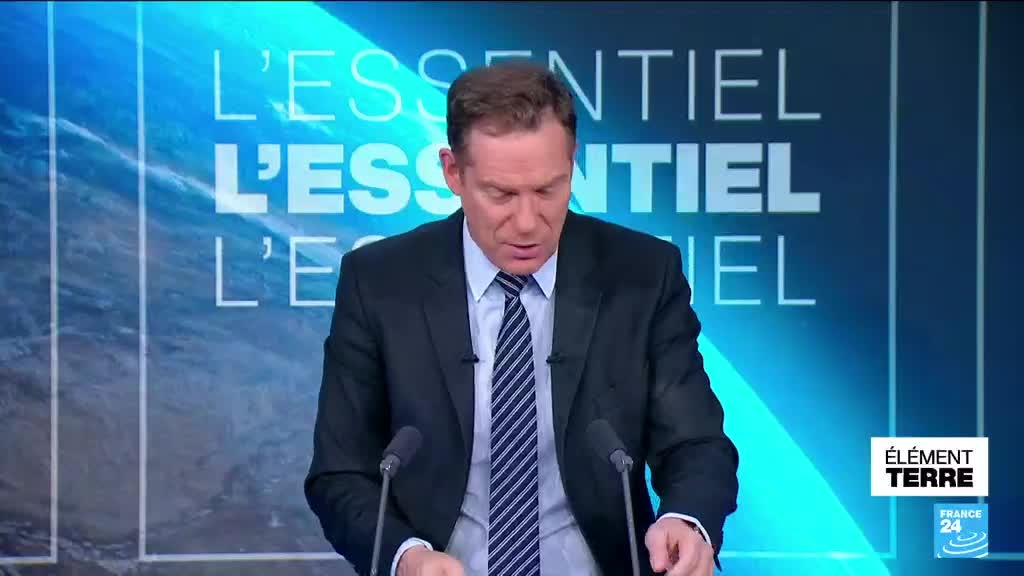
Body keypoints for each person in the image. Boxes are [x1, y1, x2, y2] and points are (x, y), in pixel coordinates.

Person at [305, 60, 739, 576]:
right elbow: (341, 473)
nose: (528, 222)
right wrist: (406, 557)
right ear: (453, 173)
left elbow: (696, 443)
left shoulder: (642, 275)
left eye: (548, 190)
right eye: (502, 194)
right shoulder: (380, 282)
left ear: (572, 163)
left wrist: (687, 520)